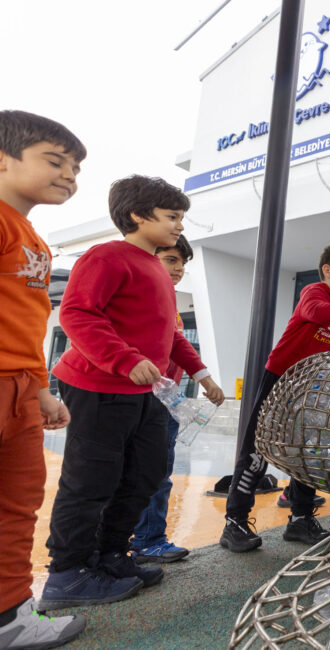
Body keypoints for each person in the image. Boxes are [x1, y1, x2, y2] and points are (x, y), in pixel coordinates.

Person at [41, 175, 216, 612]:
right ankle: (67, 574)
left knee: (145, 472)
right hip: (98, 386)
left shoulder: (157, 269)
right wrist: (122, 358)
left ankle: (112, 556)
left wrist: (203, 374)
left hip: (147, 392)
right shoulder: (106, 257)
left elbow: (172, 336)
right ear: (138, 215)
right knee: (90, 481)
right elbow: (78, 314)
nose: (179, 225)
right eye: (172, 216)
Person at [220, 244, 330, 553]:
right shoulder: (315, 293)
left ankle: (300, 520)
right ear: (328, 270)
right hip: (280, 380)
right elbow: (315, 313)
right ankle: (234, 523)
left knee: (308, 454)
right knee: (257, 452)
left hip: (311, 390)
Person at [0, 110, 87, 646]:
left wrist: (41, 389)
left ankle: (10, 618)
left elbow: (25, 322)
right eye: (54, 161)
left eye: (75, 168)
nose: (69, 176)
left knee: (18, 502)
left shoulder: (33, 235)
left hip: (20, 391)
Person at [130, 235, 225, 564]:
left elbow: (175, 342)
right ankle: (114, 545)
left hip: (163, 399)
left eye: (183, 263)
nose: (179, 269)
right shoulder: (134, 290)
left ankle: (148, 539)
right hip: (129, 396)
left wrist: (203, 377)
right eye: (171, 260)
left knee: (158, 474)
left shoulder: (167, 298)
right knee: (121, 475)